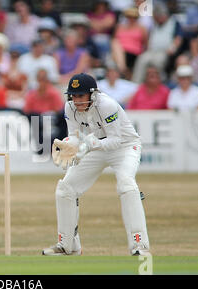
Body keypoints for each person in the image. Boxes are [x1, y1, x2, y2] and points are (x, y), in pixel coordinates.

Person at [43, 73, 150, 256]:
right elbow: (76, 136)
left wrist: (89, 145)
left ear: (92, 95)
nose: (77, 100)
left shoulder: (107, 105)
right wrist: (70, 145)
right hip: (95, 147)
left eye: (81, 95)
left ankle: (139, 245)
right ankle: (68, 246)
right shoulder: (70, 107)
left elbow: (115, 140)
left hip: (124, 147)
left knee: (126, 184)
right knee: (65, 188)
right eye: (74, 96)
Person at [111, 7, 148, 79]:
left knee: (116, 46)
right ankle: (123, 68)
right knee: (115, 43)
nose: (131, 19)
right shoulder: (119, 27)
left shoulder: (142, 28)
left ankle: (122, 69)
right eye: (129, 16)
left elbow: (146, 43)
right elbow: (114, 39)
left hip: (134, 53)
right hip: (120, 52)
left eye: (134, 17)